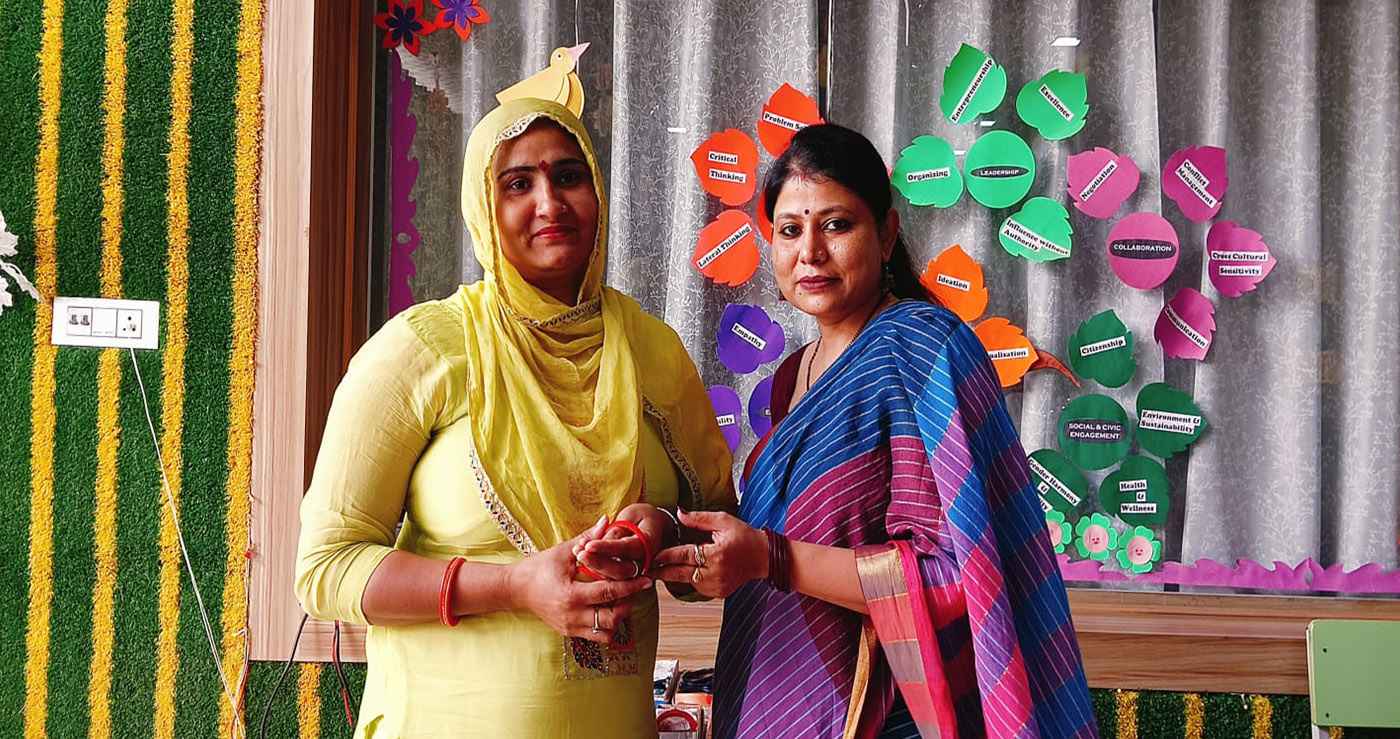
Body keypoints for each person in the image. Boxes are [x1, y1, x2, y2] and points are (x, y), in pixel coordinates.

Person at [295, 98, 735, 738]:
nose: (550, 204)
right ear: (484, 207)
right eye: (517, 184)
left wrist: (660, 533)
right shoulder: (424, 350)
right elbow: (325, 570)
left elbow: (717, 549)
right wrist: (512, 586)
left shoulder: (653, 352)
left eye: (569, 176)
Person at [650, 124, 1098, 738]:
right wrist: (665, 534)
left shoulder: (924, 349)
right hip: (768, 697)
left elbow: (956, 575)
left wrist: (770, 558)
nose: (810, 252)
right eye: (789, 230)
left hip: (886, 714)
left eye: (836, 225)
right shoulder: (791, 378)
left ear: (886, 234)